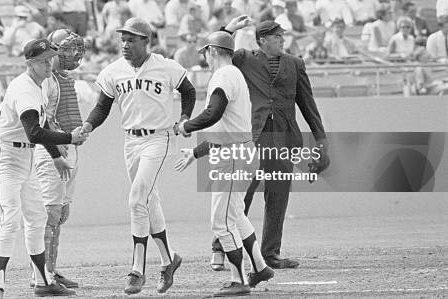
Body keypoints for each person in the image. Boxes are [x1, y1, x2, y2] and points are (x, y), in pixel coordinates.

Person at [80, 18, 196, 294]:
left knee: (136, 198)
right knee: (148, 200)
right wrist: (88, 125)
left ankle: (137, 270)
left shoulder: (167, 66)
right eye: (123, 38)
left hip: (159, 138)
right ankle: (169, 260)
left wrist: (185, 117)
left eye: (132, 39)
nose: (125, 44)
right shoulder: (113, 71)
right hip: (131, 141)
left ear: (147, 41)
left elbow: (188, 90)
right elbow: (102, 107)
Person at [221, 16, 330, 270]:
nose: (282, 39)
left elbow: (308, 104)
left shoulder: (295, 64)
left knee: (278, 196)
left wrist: (321, 140)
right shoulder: (243, 59)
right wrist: (229, 29)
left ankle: (271, 253)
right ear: (262, 40)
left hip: (283, 138)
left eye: (282, 35)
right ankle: (227, 245)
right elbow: (218, 50)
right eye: (276, 36)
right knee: (241, 195)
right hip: (254, 136)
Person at [0, 38, 88, 298]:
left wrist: (55, 156)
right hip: (5, 157)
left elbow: (41, 131)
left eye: (49, 58)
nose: (48, 63)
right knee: (11, 220)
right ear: (29, 63)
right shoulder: (25, 88)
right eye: (42, 60)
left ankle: (42, 282)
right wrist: (69, 139)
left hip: (25, 157)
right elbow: (33, 132)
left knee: (36, 218)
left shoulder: (41, 85)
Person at [174, 31, 274, 296]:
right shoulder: (233, 75)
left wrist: (186, 125)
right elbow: (223, 125)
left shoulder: (224, 75)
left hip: (233, 157)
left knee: (221, 223)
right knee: (236, 216)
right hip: (238, 151)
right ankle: (260, 267)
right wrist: (195, 153)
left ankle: (238, 280)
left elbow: (213, 113)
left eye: (206, 52)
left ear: (214, 51)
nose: (205, 57)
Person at [29, 29, 86, 290]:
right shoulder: (46, 81)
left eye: (75, 49)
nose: (73, 54)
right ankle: (41, 276)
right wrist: (55, 153)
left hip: (70, 148)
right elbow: (43, 120)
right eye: (66, 48)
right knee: (50, 213)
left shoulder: (65, 79)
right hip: (53, 151)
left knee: (61, 212)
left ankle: (50, 270)